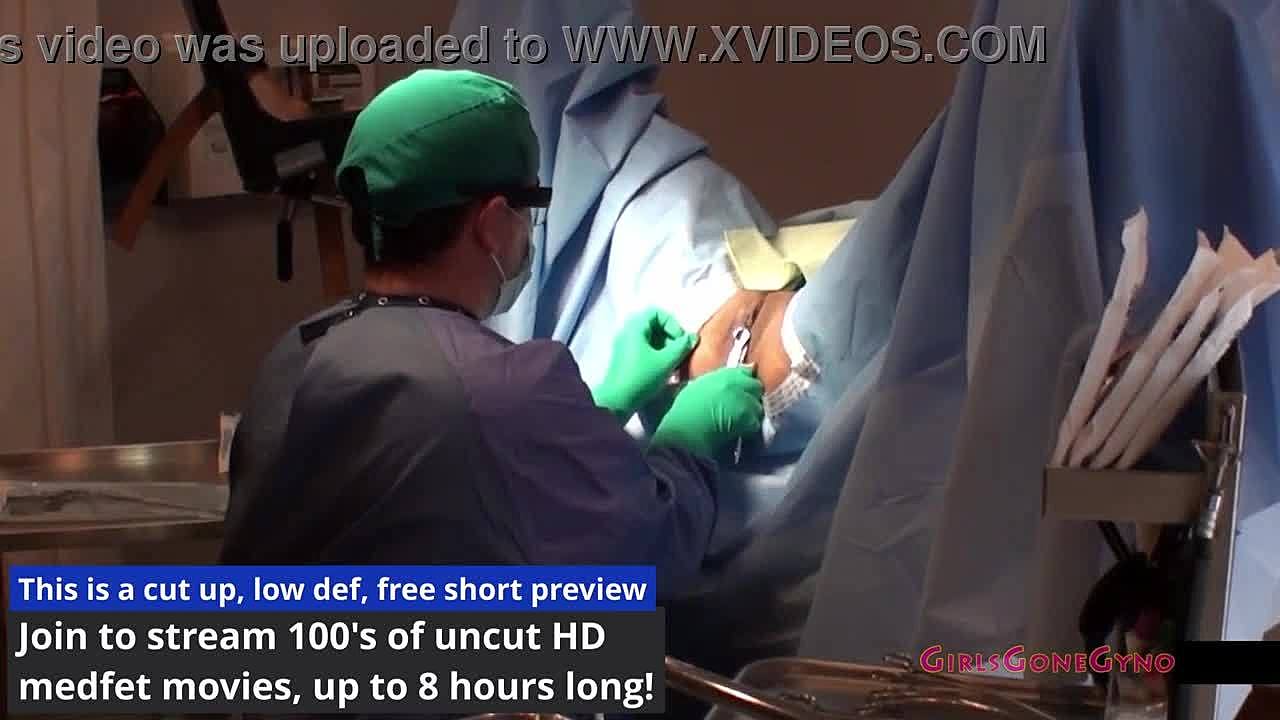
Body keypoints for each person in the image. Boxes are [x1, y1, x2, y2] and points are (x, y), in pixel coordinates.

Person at [219, 69, 765, 594]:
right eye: (531, 207)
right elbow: (646, 555)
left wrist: (601, 411)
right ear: (494, 222)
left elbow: (436, 475)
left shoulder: (297, 351)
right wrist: (687, 445)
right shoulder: (500, 388)